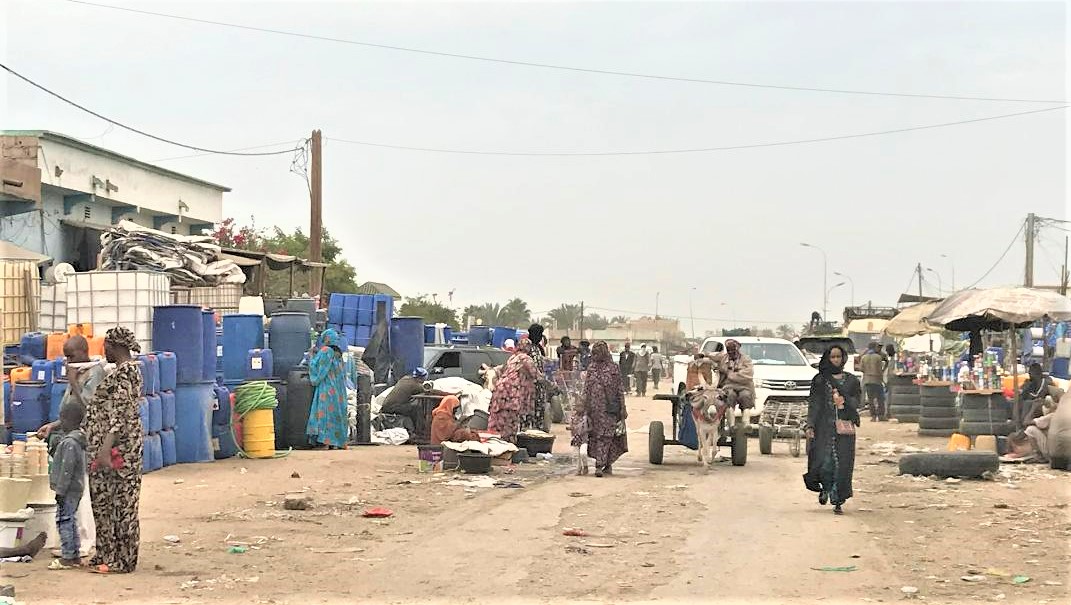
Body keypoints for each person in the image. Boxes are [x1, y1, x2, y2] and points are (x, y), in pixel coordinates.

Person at [37, 335, 104, 559]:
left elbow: (90, 409)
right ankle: (73, 542)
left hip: (83, 439)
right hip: (69, 435)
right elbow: (70, 409)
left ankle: (85, 542)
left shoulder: (94, 374)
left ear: (83, 352)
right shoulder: (77, 372)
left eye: (71, 356)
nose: (68, 361)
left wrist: (74, 382)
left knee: (79, 491)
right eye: (66, 357)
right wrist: (54, 425)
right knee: (72, 491)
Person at [85, 327, 144, 574]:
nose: (104, 351)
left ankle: (124, 560)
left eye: (106, 346)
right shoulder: (119, 372)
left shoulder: (127, 372)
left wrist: (105, 449)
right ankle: (106, 553)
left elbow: (121, 413)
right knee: (103, 502)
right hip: (107, 447)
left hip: (121, 451)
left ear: (114, 346)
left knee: (123, 503)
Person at [803, 345, 861, 515]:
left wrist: (845, 402)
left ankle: (838, 500)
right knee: (824, 462)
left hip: (844, 428)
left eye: (838, 357)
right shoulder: (820, 380)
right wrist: (810, 425)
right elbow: (814, 404)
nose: (836, 360)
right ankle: (826, 489)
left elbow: (858, 400)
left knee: (843, 464)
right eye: (832, 357)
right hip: (824, 427)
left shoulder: (852, 381)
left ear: (843, 358)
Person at [578, 341, 627, 477]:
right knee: (595, 436)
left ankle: (600, 465)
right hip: (594, 410)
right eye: (593, 353)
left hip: (610, 409)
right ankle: (604, 463)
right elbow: (586, 388)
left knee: (607, 437)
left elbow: (620, 389)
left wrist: (623, 408)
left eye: (597, 353)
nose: (594, 356)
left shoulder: (614, 368)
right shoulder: (591, 368)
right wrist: (582, 406)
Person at [49, 401, 87, 570]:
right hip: (75, 488)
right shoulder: (77, 440)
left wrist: (60, 491)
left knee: (64, 520)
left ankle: (67, 556)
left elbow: (66, 470)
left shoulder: (70, 443)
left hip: (68, 490)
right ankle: (74, 554)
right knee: (71, 520)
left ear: (67, 420)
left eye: (62, 419)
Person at [487, 338, 540, 442]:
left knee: (498, 418)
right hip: (511, 392)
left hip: (500, 390)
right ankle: (508, 444)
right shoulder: (526, 359)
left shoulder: (512, 358)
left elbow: (502, 371)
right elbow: (537, 375)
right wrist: (552, 386)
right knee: (510, 421)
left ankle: (494, 441)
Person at [306, 328, 348, 449]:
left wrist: (311, 356)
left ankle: (326, 441)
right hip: (339, 391)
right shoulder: (338, 354)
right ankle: (337, 442)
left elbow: (318, 368)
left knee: (325, 414)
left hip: (327, 388)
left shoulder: (325, 351)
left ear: (327, 339)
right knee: (337, 414)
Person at [520, 324, 553, 432]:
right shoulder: (527, 348)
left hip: (539, 388)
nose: (540, 337)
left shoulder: (538, 348)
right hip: (528, 388)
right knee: (528, 414)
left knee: (539, 413)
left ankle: (537, 434)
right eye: (539, 334)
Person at [712, 339, 755, 413]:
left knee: (745, 396)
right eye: (728, 350)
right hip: (728, 386)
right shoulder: (724, 357)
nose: (731, 352)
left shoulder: (746, 359)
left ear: (737, 349)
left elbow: (747, 374)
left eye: (733, 350)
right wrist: (703, 355)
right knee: (729, 396)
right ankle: (730, 419)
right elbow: (712, 356)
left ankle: (746, 419)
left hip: (744, 386)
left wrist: (730, 374)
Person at [859, 342, 889, 422]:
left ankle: (873, 416)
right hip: (876, 380)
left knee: (870, 399)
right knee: (880, 398)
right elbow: (879, 370)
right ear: (874, 347)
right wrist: (882, 379)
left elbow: (861, 369)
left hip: (867, 380)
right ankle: (881, 416)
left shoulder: (864, 357)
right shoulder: (878, 357)